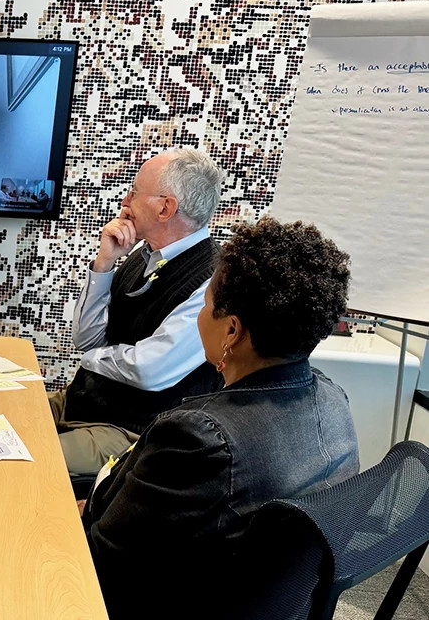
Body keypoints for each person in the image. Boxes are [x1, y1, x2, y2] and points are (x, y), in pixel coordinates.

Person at [83, 217, 359, 618]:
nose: (200, 316)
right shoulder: (335, 401)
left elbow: (103, 559)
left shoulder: (196, 435)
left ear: (231, 331)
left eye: (206, 304)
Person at [50, 148, 224, 476]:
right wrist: (104, 265)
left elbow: (149, 371)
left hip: (130, 432)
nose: (124, 202)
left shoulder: (212, 281)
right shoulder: (142, 255)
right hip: (81, 403)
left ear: (165, 207)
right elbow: (86, 337)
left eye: (133, 192)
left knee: (19, 454)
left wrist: (90, 359)